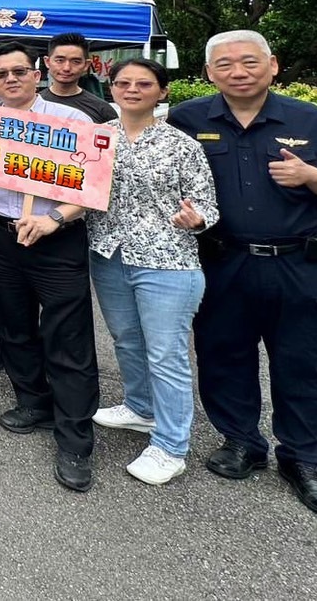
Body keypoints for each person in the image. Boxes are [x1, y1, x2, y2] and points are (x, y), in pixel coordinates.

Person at [168, 30, 317, 524]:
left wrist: (311, 178)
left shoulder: (311, 121)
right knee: (222, 354)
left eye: (250, 61)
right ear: (211, 72)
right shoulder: (188, 119)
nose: (239, 71)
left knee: (304, 363)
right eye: (226, 64)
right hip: (222, 259)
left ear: (272, 65)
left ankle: (303, 460)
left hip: (298, 264)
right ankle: (242, 441)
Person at [86, 58, 219, 486]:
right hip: (109, 253)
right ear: (111, 89)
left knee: (167, 354)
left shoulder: (183, 145)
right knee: (125, 339)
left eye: (144, 83)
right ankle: (140, 407)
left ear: (162, 92)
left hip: (167, 261)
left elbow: (207, 204)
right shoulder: (97, 138)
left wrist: (196, 220)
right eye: (123, 82)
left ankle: (171, 446)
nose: (132, 89)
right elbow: (73, 183)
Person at [0, 41, 99, 492]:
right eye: (1, 74)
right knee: (13, 325)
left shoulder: (72, 122)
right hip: (1, 232)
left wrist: (53, 218)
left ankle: (75, 439)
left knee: (68, 338)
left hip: (55, 237)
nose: (11, 79)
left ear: (37, 74)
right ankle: (33, 401)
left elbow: (93, 186)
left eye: (19, 71)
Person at [42, 32, 117, 124]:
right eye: (60, 60)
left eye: (76, 61)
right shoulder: (33, 103)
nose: (66, 68)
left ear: (86, 65)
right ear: (47, 62)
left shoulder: (103, 110)